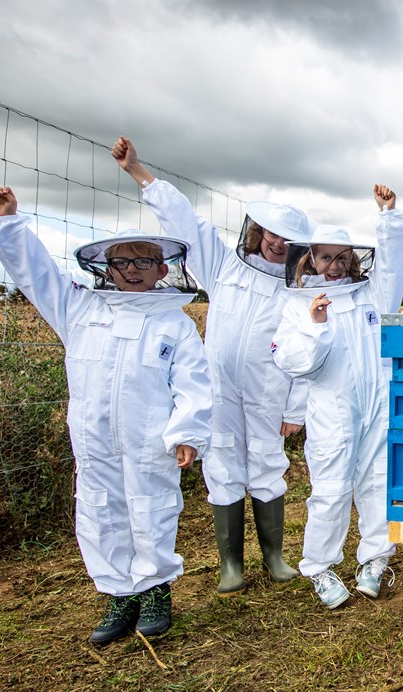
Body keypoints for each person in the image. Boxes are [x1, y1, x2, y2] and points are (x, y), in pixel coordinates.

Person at [0, 186, 212, 646]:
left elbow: (193, 385)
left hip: (150, 440)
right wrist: (9, 222)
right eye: (121, 263)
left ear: (162, 269)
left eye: (142, 262)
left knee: (152, 511)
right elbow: (36, 275)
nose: (131, 270)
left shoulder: (174, 322)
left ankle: (154, 590)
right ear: (105, 269)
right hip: (92, 439)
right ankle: (118, 593)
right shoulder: (80, 308)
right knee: (100, 512)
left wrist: (187, 432)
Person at [113, 137, 306, 598]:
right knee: (221, 465)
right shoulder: (224, 265)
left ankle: (275, 557)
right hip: (218, 388)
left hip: (270, 389)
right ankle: (231, 565)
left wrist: (296, 408)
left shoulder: (297, 287)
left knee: (265, 462)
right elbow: (186, 222)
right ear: (257, 231)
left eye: (287, 237)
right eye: (271, 232)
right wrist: (140, 173)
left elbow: (305, 348)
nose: (278, 243)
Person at [271, 185, 403, 609]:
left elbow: (390, 265)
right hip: (332, 410)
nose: (334, 265)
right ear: (310, 259)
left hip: (378, 405)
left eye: (342, 256)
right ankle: (319, 566)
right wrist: (316, 325)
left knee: (377, 482)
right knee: (330, 489)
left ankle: (375, 559)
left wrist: (387, 217)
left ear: (353, 259)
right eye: (326, 256)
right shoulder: (297, 304)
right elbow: (293, 362)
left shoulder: (372, 294)